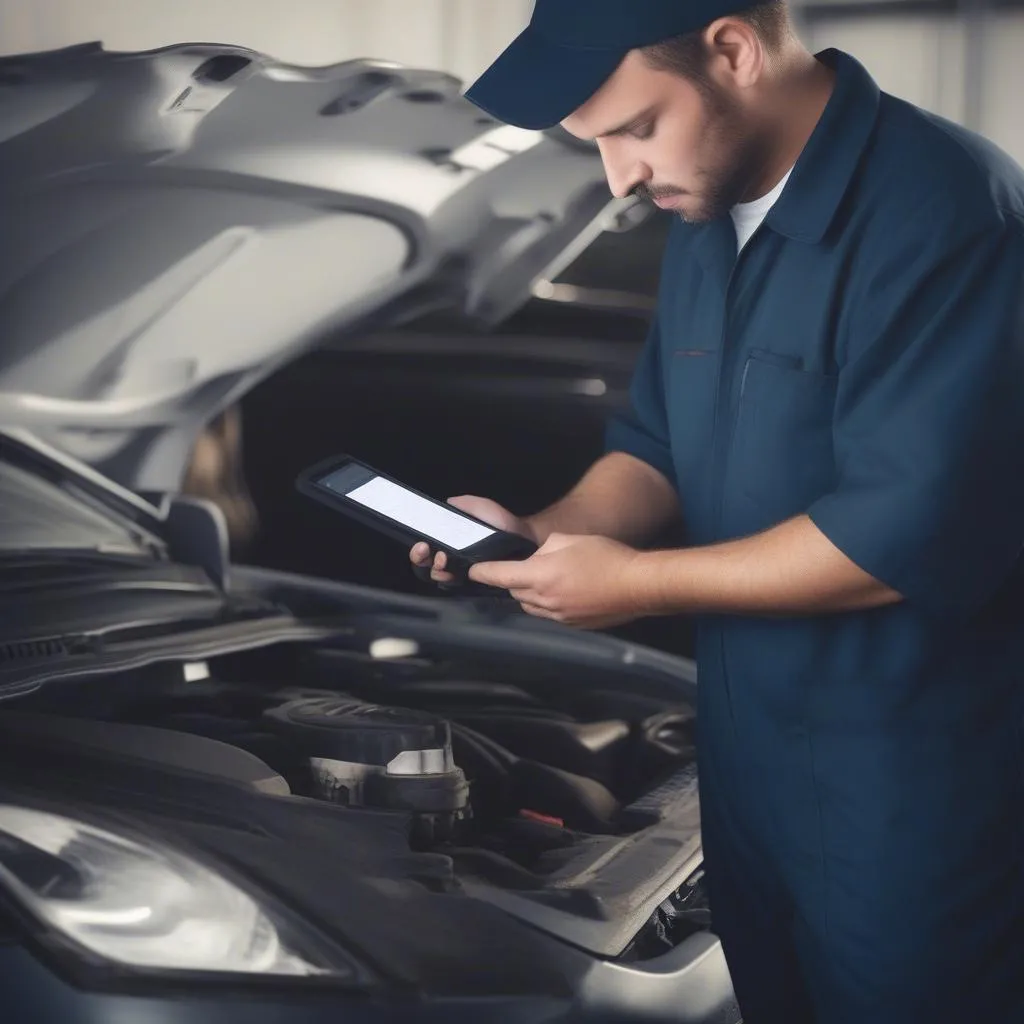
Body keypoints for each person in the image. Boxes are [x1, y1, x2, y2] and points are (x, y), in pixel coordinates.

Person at [410, 1, 1024, 1021]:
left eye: (633, 129)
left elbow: (893, 539)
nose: (618, 179)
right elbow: (655, 448)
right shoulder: (706, 210)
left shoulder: (948, 210)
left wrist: (633, 585)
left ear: (733, 49)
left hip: (911, 796)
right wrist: (540, 532)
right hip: (745, 775)